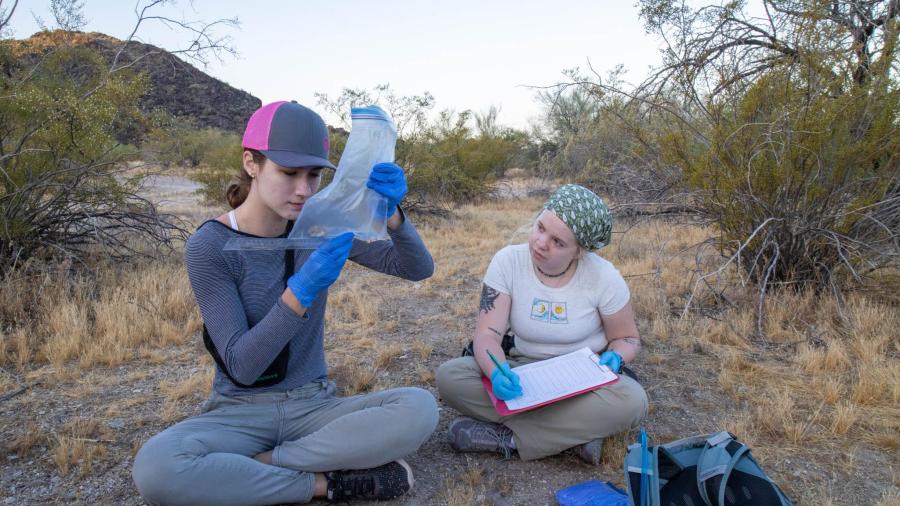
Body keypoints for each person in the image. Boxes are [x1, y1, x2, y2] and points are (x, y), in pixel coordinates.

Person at [132, 101, 439, 505]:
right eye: (289, 173)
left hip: (312, 406)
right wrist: (300, 293)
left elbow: (415, 268)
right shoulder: (211, 246)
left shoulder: (319, 225)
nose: (304, 190)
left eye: (314, 175)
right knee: (156, 467)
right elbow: (243, 365)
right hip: (238, 412)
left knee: (419, 408)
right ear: (252, 163)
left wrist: (392, 215)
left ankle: (259, 467)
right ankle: (325, 484)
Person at [436, 184, 648, 464]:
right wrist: (497, 371)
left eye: (558, 242)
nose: (540, 243)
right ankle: (577, 433)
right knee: (450, 377)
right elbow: (487, 334)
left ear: (579, 251)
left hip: (583, 381)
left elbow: (628, 339)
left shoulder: (604, 277)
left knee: (633, 401)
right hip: (521, 371)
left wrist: (616, 356)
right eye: (540, 228)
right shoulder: (507, 262)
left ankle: (508, 439)